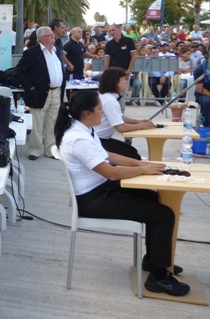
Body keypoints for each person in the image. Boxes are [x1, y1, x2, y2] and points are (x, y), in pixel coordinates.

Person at [55, 91, 189, 297]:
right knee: (164, 215)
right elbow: (110, 171)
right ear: (87, 113)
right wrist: (143, 170)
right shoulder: (77, 138)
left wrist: (142, 163)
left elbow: (108, 156)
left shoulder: (85, 130)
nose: (103, 112)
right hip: (92, 199)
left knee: (154, 198)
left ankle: (154, 261)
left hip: (102, 189)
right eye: (100, 109)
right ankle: (159, 278)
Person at [16, 26, 65, 160]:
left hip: (56, 91)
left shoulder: (57, 51)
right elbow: (20, 70)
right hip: (40, 92)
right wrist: (29, 87)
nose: (53, 37)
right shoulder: (32, 52)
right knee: (37, 123)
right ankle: (35, 150)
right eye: (50, 35)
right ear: (42, 38)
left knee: (53, 123)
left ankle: (50, 150)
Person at [95, 67, 156, 160]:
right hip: (98, 140)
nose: (126, 82)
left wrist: (138, 122)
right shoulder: (110, 100)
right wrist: (142, 126)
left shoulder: (108, 97)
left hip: (101, 138)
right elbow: (121, 128)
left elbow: (119, 117)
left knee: (132, 151)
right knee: (133, 156)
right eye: (123, 79)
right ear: (114, 81)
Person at [194, 45, 210, 126]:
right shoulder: (200, 70)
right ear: (206, 55)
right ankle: (207, 125)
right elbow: (199, 88)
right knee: (207, 101)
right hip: (203, 94)